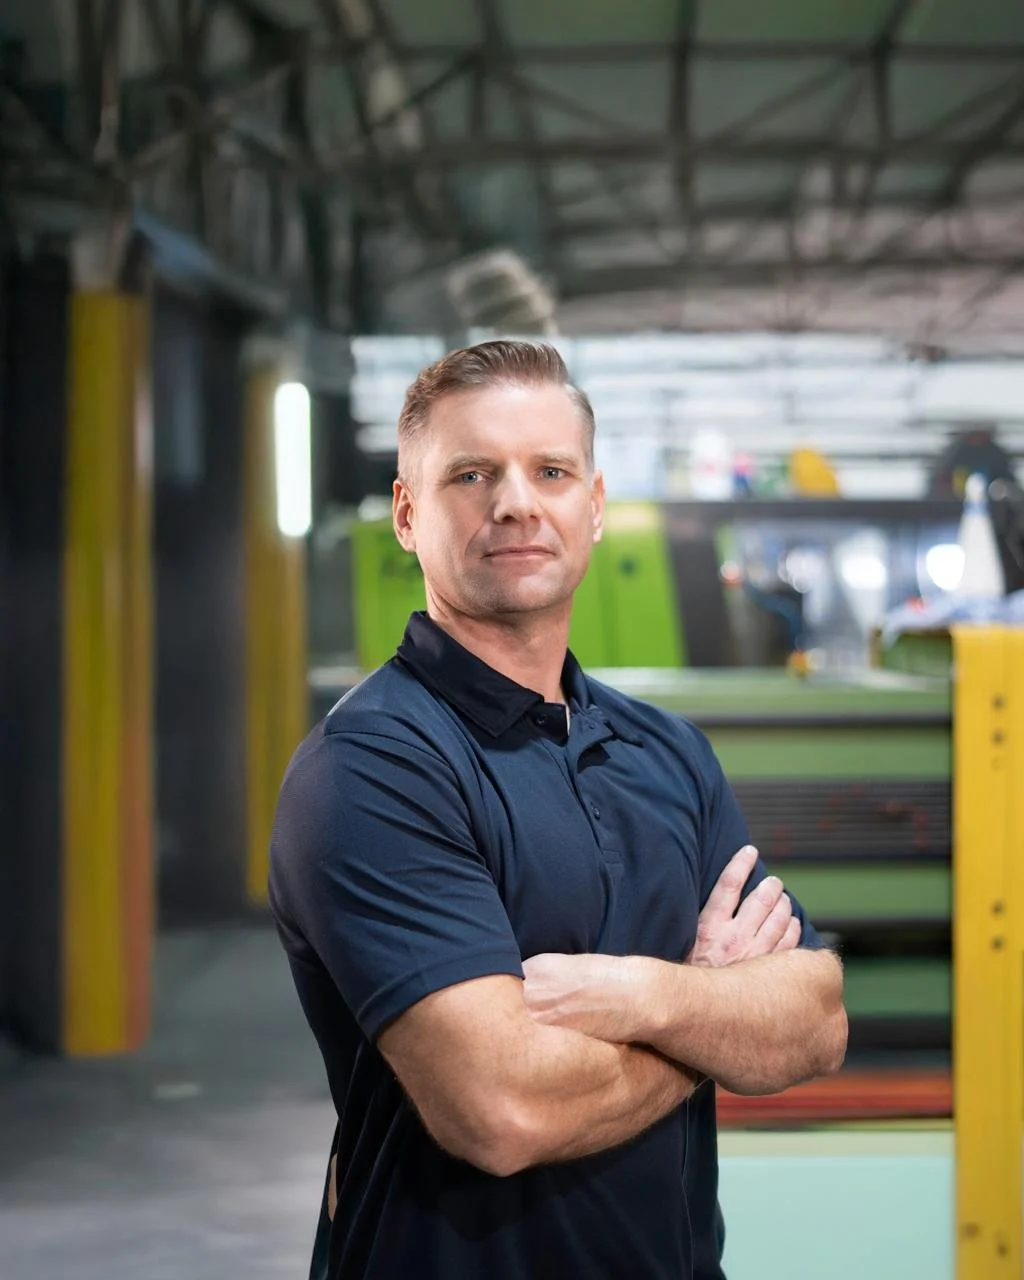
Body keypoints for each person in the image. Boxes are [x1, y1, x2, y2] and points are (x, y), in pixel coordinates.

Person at [269, 341, 847, 1280]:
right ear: (409, 516)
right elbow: (503, 1112)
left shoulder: (669, 753)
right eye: (471, 473)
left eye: (550, 470)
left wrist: (648, 995)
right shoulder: (371, 768)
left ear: (595, 505)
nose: (515, 502)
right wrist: (713, 1017)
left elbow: (815, 1019)